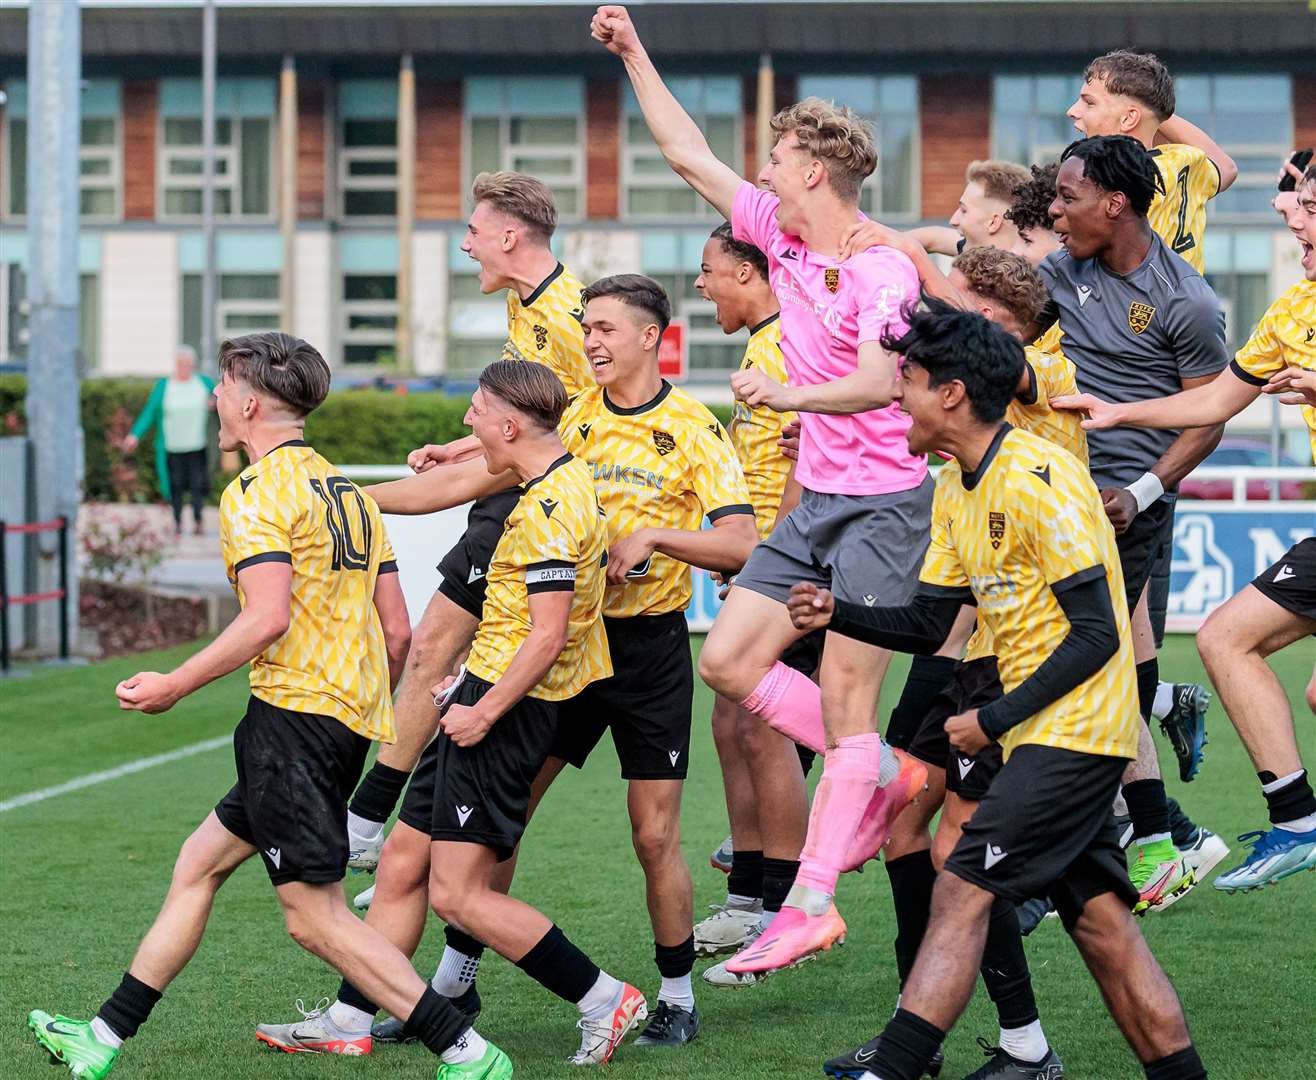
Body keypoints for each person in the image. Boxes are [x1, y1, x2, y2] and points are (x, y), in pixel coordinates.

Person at [27, 332, 517, 1080]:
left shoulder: (256, 493)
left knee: (313, 917)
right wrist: (354, 717)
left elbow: (267, 618)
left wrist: (173, 685)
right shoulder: (344, 489)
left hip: (291, 723)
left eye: (223, 387)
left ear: (248, 401)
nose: (219, 399)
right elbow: (397, 631)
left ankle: (465, 1048)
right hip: (342, 721)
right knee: (198, 864)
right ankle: (102, 1035)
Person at [590, 4, 932, 976]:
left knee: (843, 698)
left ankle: (811, 902)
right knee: (731, 665)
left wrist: (784, 390)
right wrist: (634, 52)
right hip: (815, 504)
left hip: (882, 505)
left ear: (812, 171)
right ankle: (881, 771)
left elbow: (879, 381)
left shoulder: (876, 267)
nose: (763, 172)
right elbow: (687, 153)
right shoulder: (777, 238)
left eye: (776, 159)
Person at [796, 304, 1208, 1080]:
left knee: (964, 885)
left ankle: (895, 1065)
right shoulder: (956, 485)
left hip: (1077, 732)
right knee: (1104, 931)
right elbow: (928, 620)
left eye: (908, 382)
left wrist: (991, 719)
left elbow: (1097, 635)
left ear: (951, 394)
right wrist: (835, 611)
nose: (896, 398)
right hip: (1038, 733)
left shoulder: (1042, 477)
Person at [348, 274, 759, 1049]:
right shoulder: (572, 416)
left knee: (653, 834)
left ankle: (674, 997)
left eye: (606, 328)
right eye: (586, 327)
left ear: (650, 337)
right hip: (566, 649)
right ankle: (453, 984)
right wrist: (352, 497)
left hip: (648, 652)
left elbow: (741, 542)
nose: (592, 340)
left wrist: (659, 539)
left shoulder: (693, 428)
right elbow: (471, 477)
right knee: (503, 825)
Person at [259, 360, 651, 1066]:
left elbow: (548, 635)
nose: (467, 423)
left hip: (502, 713)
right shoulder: (548, 483)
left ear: (508, 424)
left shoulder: (550, 509)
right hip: (476, 698)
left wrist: (484, 708)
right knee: (405, 862)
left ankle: (602, 998)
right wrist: (466, 690)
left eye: (475, 411)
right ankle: (351, 1016)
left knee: (460, 897)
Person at [336, 172, 593, 1017]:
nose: (465, 243)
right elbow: (527, 419)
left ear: (512, 238)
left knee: (432, 642)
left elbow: (552, 438)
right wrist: (463, 440)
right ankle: (430, 977)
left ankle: (370, 816)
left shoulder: (561, 317)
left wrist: (355, 499)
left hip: (535, 517)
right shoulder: (532, 309)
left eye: (474, 230)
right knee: (472, 831)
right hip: (520, 496)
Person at [1053, 162, 1316, 893]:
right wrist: (1120, 410)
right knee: (1226, 639)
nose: (1294, 219)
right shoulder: (1294, 311)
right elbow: (1216, 401)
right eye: (1296, 205)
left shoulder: (1185, 295)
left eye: (1310, 207)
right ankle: (1296, 823)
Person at [1040, 134, 1231, 910]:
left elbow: (1210, 415)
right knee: (1094, 671)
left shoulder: (1184, 298)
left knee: (1079, 672)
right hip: (1056, 499)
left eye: (1067, 197)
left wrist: (1144, 491)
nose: (1055, 212)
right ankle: (1152, 835)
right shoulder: (1060, 270)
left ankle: (1145, 839)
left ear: (1115, 203)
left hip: (1127, 510)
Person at [690, 222, 819, 988]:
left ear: (748, 270)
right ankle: (749, 891)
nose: (701, 286)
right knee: (733, 716)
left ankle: (784, 907)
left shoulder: (790, 343)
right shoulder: (763, 342)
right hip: (768, 561)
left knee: (764, 724)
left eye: (710, 271)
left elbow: (808, 454)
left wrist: (780, 557)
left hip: (797, 562)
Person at [1067, 49, 1237, 276]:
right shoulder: (1181, 160)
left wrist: (1149, 108)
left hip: (1130, 307)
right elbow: (1226, 168)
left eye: (1089, 103)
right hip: (1186, 306)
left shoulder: (1112, 180)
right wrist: (1153, 107)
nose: (1072, 111)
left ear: (1129, 118)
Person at [123, 346, 215, 536]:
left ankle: (198, 520)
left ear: (193, 365)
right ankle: (178, 522)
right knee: (175, 486)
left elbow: (224, 399)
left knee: (198, 485)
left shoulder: (203, 383)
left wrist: (215, 404)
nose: (184, 368)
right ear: (175, 365)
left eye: (188, 364)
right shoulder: (164, 386)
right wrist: (134, 435)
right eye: (181, 364)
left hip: (198, 446)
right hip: (172, 447)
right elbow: (149, 412)